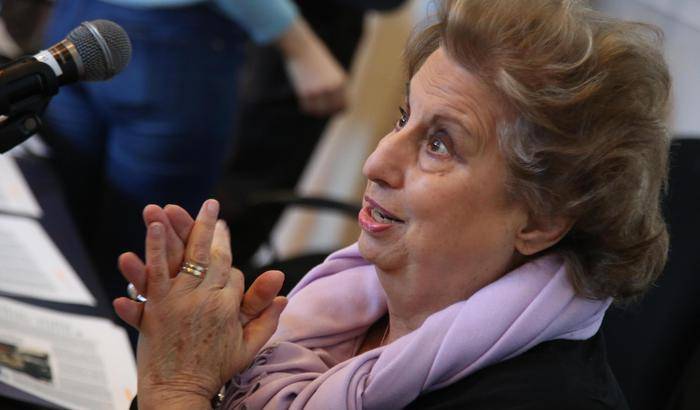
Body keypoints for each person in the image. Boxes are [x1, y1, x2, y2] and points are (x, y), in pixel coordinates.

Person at [113, 0, 671, 408]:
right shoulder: (316, 293)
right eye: (404, 118)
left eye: (439, 145)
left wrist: (178, 387)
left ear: (543, 220)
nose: (377, 161)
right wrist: (201, 355)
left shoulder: (542, 400)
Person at [42, 0, 348, 303]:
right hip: (169, 45)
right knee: (133, 261)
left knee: (65, 235)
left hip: (81, 25)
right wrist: (298, 44)